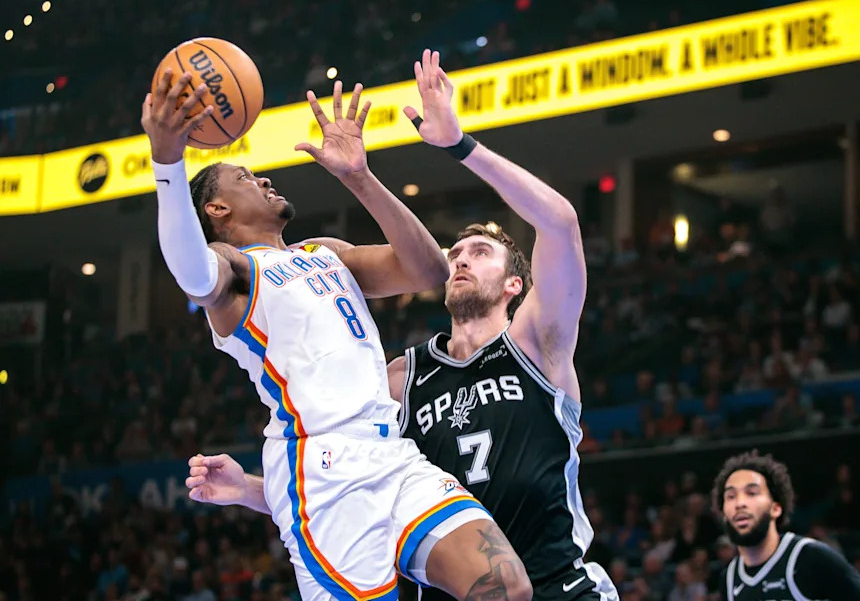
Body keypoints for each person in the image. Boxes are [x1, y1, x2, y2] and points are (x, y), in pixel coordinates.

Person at [185, 49, 616, 601]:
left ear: (515, 285)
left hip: (562, 586)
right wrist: (250, 489)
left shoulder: (538, 344)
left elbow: (559, 223)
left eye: (480, 252)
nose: (459, 259)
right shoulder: (399, 379)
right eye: (455, 251)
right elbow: (348, 479)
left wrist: (459, 145)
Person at [712, 451, 860, 601]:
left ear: (775, 508)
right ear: (724, 514)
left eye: (752, 493)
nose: (740, 503)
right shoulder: (729, 579)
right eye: (731, 496)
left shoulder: (811, 557)